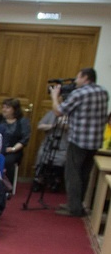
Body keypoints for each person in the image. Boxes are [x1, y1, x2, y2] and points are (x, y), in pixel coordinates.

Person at [50, 67, 109, 217]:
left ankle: (74, 208)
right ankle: (77, 204)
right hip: (95, 140)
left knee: (73, 174)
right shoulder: (103, 92)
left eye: (78, 78)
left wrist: (55, 96)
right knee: (84, 173)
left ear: (85, 77)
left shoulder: (80, 93)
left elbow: (59, 111)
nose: (76, 81)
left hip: (79, 140)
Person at [0, 98, 31, 184]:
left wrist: (13, 149)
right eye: (3, 107)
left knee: (7, 161)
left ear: (15, 109)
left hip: (13, 150)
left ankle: (7, 185)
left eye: (7, 107)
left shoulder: (22, 121)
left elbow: (24, 139)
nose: (4, 110)